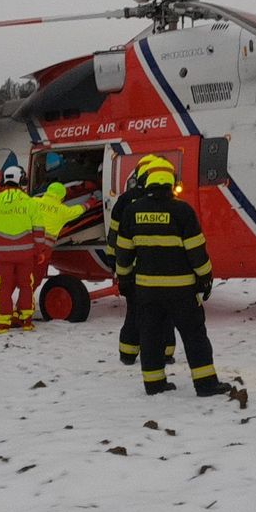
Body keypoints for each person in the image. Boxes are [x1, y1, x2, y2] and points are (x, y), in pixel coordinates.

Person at [115, 168, 231, 397]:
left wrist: (125, 279)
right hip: (181, 291)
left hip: (147, 291)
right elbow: (196, 251)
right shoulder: (182, 211)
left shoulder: (132, 211)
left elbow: (123, 252)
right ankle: (206, 384)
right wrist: (206, 278)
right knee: (194, 335)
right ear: (171, 186)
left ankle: (154, 384)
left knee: (150, 335)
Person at [109, 155, 177, 366]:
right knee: (165, 312)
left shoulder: (124, 201)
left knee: (134, 311)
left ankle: (128, 353)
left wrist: (117, 267)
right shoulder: (171, 203)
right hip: (165, 271)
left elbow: (114, 238)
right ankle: (166, 352)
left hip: (134, 270)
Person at [0, 165, 44, 333]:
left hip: (3, 255)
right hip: (26, 255)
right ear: (21, 180)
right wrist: (39, 251)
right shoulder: (30, 202)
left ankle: (3, 323)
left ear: (4, 180)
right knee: (26, 286)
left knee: (4, 287)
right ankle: (26, 321)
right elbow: (38, 230)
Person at [33, 181, 101, 287]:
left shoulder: (34, 202)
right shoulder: (63, 211)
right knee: (34, 279)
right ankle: (25, 302)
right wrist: (93, 199)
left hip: (27, 246)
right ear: (62, 197)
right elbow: (81, 209)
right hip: (43, 250)